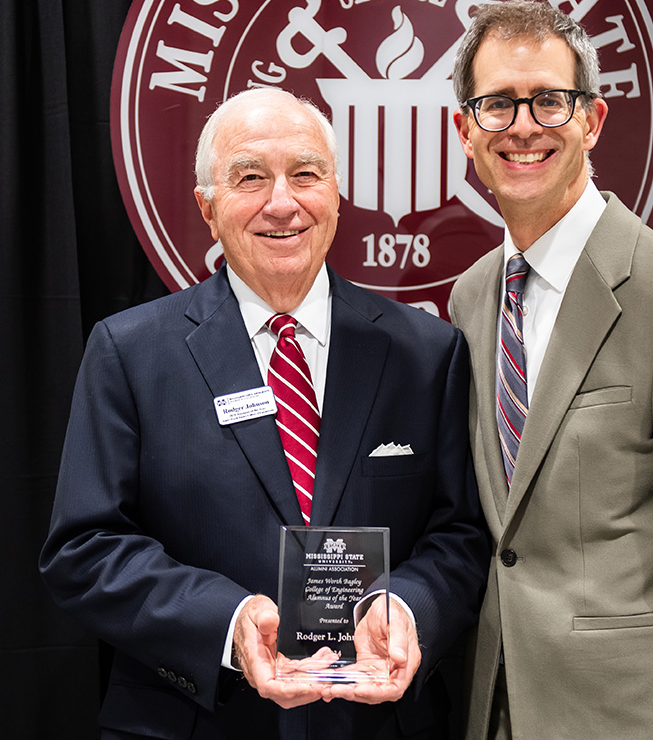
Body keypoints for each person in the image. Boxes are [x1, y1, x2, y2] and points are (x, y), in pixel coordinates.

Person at [40, 87, 489, 739]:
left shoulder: (427, 352)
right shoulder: (129, 352)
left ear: (336, 193)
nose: (282, 202)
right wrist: (229, 622)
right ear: (208, 208)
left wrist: (409, 609)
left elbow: (464, 536)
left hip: (377, 723)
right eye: (250, 177)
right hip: (195, 720)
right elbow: (83, 548)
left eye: (305, 174)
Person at [448, 0, 653, 739]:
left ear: (591, 121)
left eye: (548, 101)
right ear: (465, 133)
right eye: (496, 104)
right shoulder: (471, 298)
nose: (522, 126)